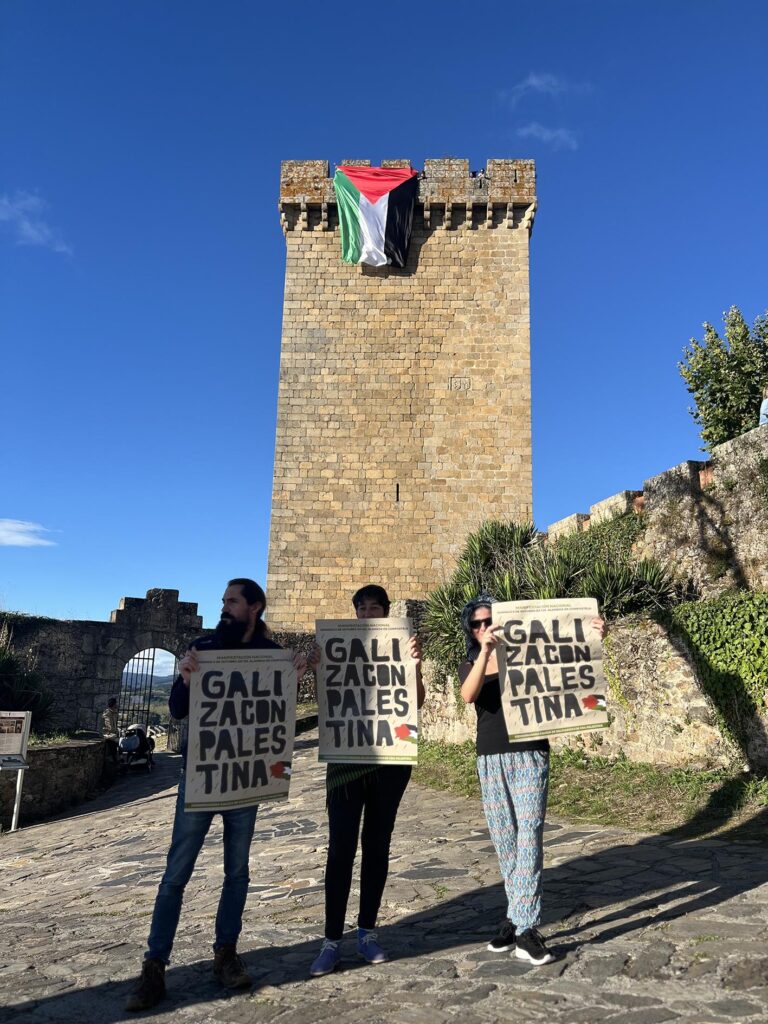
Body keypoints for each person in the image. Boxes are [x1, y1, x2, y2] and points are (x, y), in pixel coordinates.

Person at [125, 579, 307, 1011]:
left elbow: (275, 714)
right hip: (200, 776)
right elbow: (176, 710)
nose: (224, 607)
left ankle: (226, 953)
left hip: (245, 778)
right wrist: (186, 679)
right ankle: (155, 965)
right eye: (224, 600)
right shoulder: (203, 647)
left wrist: (293, 676)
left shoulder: (270, 653)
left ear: (254, 607)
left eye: (232, 601)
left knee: (237, 873)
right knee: (175, 875)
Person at [458, 592, 604, 967]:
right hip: (490, 755)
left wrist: (592, 635)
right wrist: (487, 653)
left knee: (529, 834)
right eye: (476, 623)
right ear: (470, 630)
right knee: (505, 838)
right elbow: (468, 695)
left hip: (530, 751)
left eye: (489, 620)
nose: (484, 627)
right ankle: (514, 916)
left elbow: (569, 658)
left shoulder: (532, 654)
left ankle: (525, 929)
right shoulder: (472, 660)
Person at [309, 584, 425, 977]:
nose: (368, 614)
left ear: (386, 612)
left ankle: (368, 932)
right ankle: (330, 941)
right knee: (340, 849)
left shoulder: (401, 645)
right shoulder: (339, 646)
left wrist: (415, 667)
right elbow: (327, 701)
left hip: (390, 762)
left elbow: (416, 701)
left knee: (377, 846)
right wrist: (319, 666)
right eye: (362, 608)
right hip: (346, 761)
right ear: (355, 613)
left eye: (376, 608)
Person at [101, 697, 119, 763]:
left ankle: (117, 761)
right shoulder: (107, 713)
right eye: (116, 703)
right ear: (113, 704)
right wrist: (114, 734)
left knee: (118, 743)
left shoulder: (113, 713)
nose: (117, 705)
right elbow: (109, 727)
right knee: (115, 743)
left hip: (111, 734)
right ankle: (115, 762)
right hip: (107, 734)